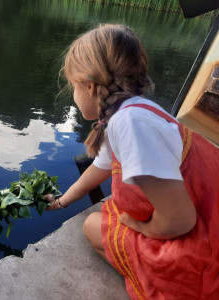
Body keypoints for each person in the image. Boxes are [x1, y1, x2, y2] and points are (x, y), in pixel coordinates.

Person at [45, 24, 219, 299]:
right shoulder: (133, 111)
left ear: (89, 87)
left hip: (202, 243)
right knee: (105, 218)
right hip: (205, 214)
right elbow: (100, 167)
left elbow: (181, 219)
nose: (74, 95)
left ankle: (158, 279)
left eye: (73, 87)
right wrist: (63, 200)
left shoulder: (129, 125)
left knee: (92, 227)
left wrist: (144, 228)